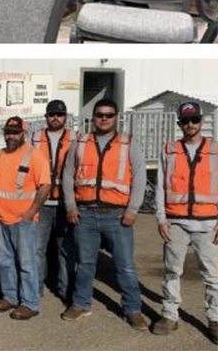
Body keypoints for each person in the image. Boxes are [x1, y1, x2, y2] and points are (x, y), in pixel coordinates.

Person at [61, 98, 148, 330]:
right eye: (99, 114)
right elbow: (68, 175)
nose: (104, 119)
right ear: (93, 117)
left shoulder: (129, 144)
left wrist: (133, 210)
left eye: (109, 115)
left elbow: (140, 179)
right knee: (85, 263)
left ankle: (133, 309)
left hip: (117, 215)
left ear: (116, 117)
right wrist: (70, 206)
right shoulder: (80, 142)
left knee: (125, 265)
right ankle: (81, 303)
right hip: (85, 214)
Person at [152, 101, 218, 342]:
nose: (190, 125)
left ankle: (215, 319)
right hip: (176, 223)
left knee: (213, 275)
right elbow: (160, 186)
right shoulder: (168, 150)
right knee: (171, 272)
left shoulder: (216, 150)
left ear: (202, 121)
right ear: (179, 123)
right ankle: (170, 316)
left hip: (209, 223)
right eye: (185, 120)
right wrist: (161, 218)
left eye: (195, 120)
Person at [0, 116, 51, 321]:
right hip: (1, 219)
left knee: (27, 263)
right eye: (7, 132)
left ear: (24, 133)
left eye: (15, 132)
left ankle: (30, 303)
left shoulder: (35, 156)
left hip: (24, 221)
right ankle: (10, 297)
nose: (11, 136)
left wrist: (31, 212)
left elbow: (45, 186)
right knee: (5, 262)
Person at [32, 99, 76, 302]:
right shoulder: (34, 138)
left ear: (65, 117)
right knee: (37, 249)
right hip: (41, 203)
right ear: (46, 117)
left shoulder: (76, 139)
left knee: (64, 249)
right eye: (51, 114)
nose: (55, 118)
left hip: (65, 203)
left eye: (59, 114)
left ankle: (65, 289)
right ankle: (35, 289)